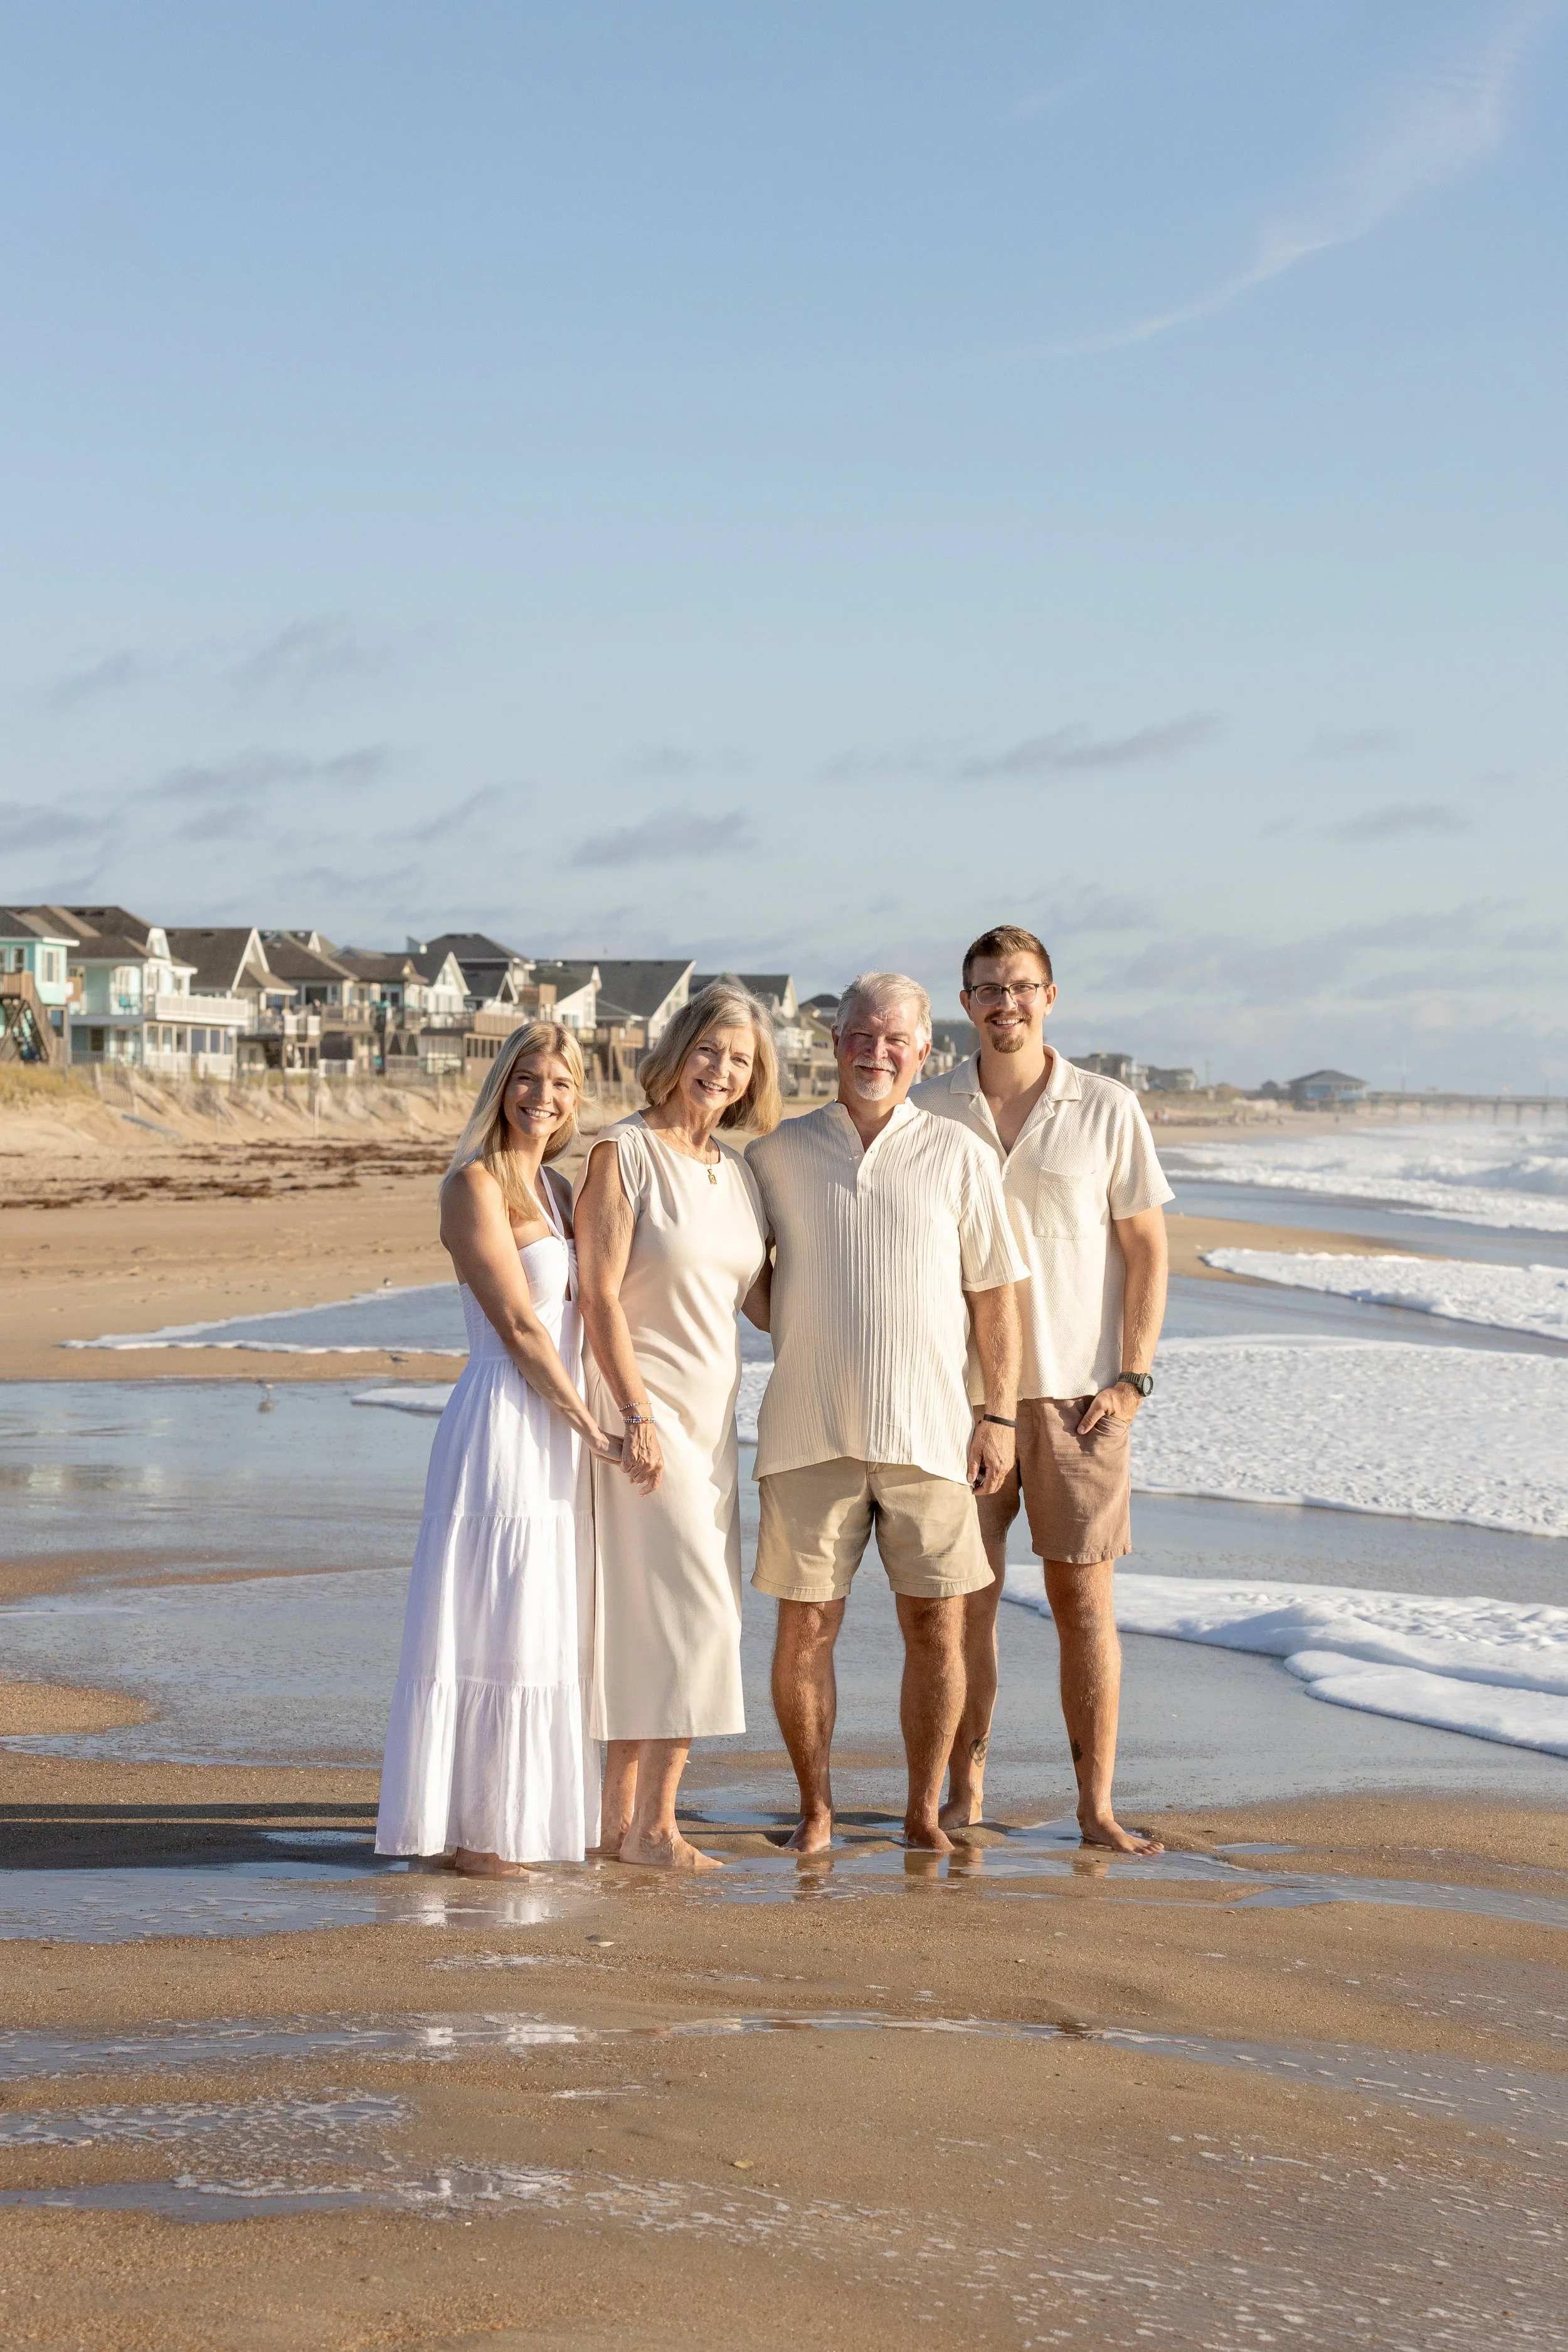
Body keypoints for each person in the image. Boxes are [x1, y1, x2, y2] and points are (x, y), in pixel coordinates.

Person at [746, 972, 1026, 1856]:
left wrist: (1000, 1416)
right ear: (834, 1044)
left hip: (933, 1435)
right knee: (806, 1625)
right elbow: (737, 1269)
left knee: (936, 1625)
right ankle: (816, 1809)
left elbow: (995, 1298)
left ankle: (920, 1809)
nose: (876, 1051)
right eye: (861, 1035)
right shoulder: (780, 1153)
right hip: (806, 1429)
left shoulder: (959, 1153)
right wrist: (799, 1314)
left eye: (895, 1039)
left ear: (924, 1053)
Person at [913, 923, 1172, 1854]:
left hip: (1079, 1399)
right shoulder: (929, 1107)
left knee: (1084, 1604)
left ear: (1050, 996)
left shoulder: (1107, 1107)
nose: (1005, 1002)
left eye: (1021, 986)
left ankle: (1095, 1807)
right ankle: (965, 1790)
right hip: (962, 1397)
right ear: (966, 1001)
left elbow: (1146, 1248)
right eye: (988, 987)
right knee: (962, 1605)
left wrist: (1133, 1376)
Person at [375, 1021, 622, 1878]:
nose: (542, 1096)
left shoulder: (557, 1187)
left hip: (556, 1423)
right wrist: (589, 1421)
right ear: (501, 1085)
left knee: (539, 1622)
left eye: (560, 1083)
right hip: (505, 1419)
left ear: (575, 1098)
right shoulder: (472, 1183)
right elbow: (518, 1321)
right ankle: (475, 1837)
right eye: (527, 1078)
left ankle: (511, 1823)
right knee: (494, 1617)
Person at [575, 981, 777, 1871]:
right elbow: (598, 1295)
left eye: (739, 1060)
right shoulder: (624, 1152)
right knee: (695, 1616)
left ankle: (616, 1827)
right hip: (644, 1416)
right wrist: (634, 1412)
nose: (721, 1071)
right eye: (709, 1050)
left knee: (665, 1621)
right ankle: (654, 1826)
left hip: (712, 1422)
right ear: (678, 1049)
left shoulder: (736, 1173)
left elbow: (765, 1301)